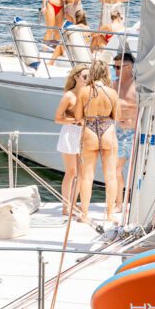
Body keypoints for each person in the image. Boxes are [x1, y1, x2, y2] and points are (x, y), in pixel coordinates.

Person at [74, 60, 120, 223]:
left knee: (87, 176)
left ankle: (85, 215)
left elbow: (78, 116)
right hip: (107, 128)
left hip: (89, 130)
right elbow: (116, 116)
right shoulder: (112, 92)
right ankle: (109, 214)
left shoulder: (84, 91)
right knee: (111, 176)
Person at [54, 64, 89, 215]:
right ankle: (65, 206)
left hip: (83, 135)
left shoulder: (88, 94)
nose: (88, 80)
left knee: (82, 173)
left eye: (90, 77)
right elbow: (57, 118)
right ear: (76, 77)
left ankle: (73, 204)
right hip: (70, 133)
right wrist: (75, 120)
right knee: (71, 172)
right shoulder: (69, 96)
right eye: (85, 77)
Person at [114, 52, 137, 213]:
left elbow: (142, 106)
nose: (114, 70)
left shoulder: (137, 86)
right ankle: (118, 204)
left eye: (117, 67)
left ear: (129, 67)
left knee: (135, 170)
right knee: (116, 169)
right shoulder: (114, 85)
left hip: (133, 132)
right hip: (118, 131)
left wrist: (123, 104)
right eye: (113, 67)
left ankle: (135, 203)